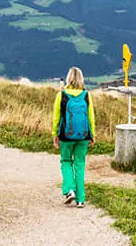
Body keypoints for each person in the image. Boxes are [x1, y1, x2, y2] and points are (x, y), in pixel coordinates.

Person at [53, 66, 95, 208]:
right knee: (80, 165)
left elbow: (56, 118)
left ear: (68, 78)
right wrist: (92, 135)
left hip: (66, 135)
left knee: (66, 161)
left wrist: (55, 135)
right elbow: (91, 118)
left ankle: (69, 190)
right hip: (83, 136)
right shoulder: (86, 95)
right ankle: (81, 199)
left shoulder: (61, 95)